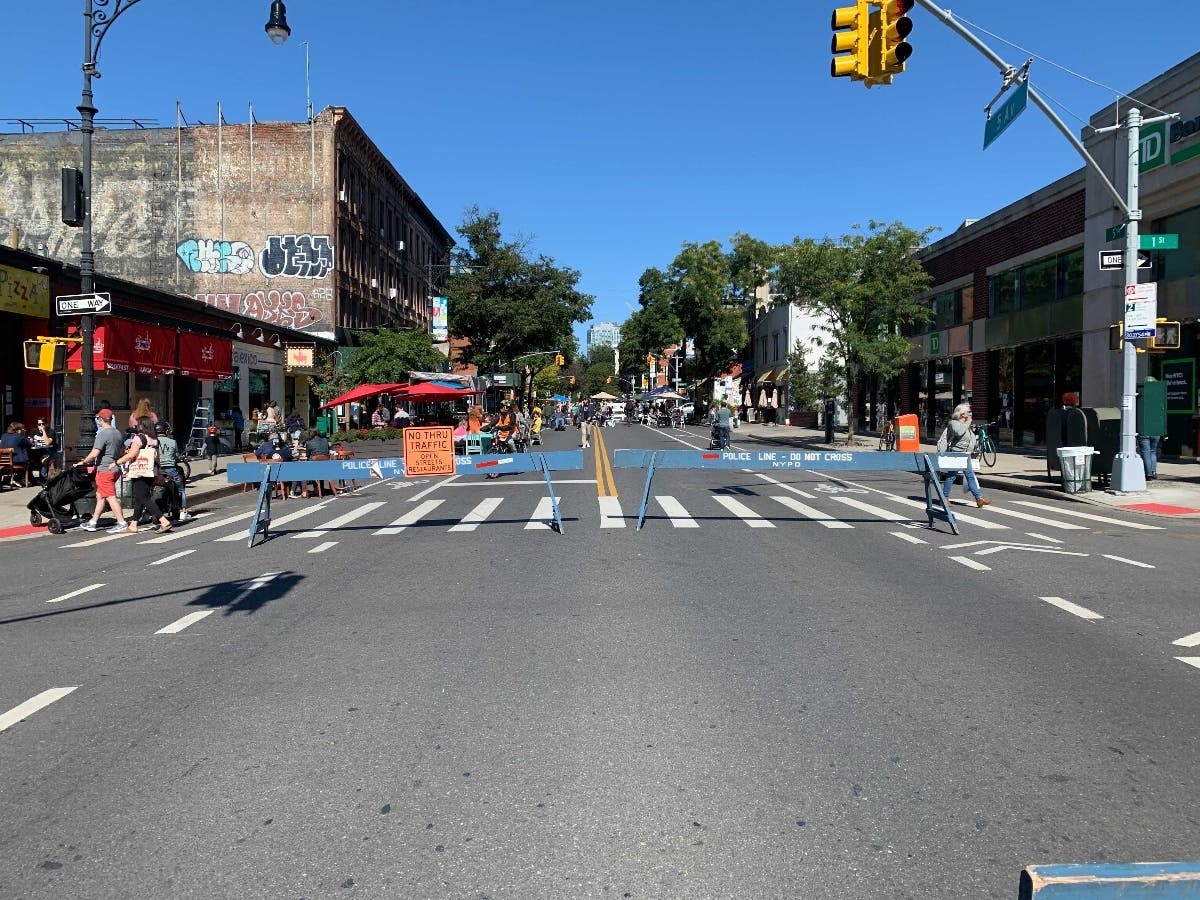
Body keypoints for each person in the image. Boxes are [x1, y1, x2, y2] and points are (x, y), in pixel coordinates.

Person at [76, 408, 132, 533]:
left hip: (105, 469)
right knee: (100, 496)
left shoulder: (102, 434)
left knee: (110, 497)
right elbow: (122, 451)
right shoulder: (117, 433)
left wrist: (84, 462)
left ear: (100, 419)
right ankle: (93, 522)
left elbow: (95, 453)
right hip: (115, 468)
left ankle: (121, 522)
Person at [116, 416, 173, 534]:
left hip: (139, 471)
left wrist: (117, 462)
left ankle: (163, 521)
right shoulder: (154, 439)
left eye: (137, 425)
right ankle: (133, 525)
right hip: (150, 470)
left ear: (142, 426)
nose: (136, 427)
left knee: (144, 498)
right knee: (139, 498)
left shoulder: (139, 438)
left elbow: (132, 454)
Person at [938, 403, 991, 508]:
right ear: (962, 414)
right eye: (969, 412)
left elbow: (970, 438)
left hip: (965, 454)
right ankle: (944, 499)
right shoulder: (953, 423)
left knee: (970, 476)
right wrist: (968, 422)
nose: (970, 414)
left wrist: (973, 450)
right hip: (956, 453)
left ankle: (979, 499)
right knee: (951, 476)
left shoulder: (966, 424)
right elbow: (959, 432)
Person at [155, 422, 192, 522]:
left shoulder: (152, 441)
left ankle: (145, 511)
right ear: (166, 431)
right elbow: (176, 456)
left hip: (156, 469)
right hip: (170, 469)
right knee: (181, 489)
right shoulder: (172, 442)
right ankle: (183, 512)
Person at [29, 418, 55, 483]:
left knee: (44, 458)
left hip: (48, 451)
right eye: (39, 424)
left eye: (43, 424)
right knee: (28, 459)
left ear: (46, 424)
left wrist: (43, 431)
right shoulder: (34, 431)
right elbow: (29, 441)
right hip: (36, 451)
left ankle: (44, 479)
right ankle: (31, 478)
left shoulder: (51, 431)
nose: (41, 426)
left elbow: (47, 443)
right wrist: (30, 441)